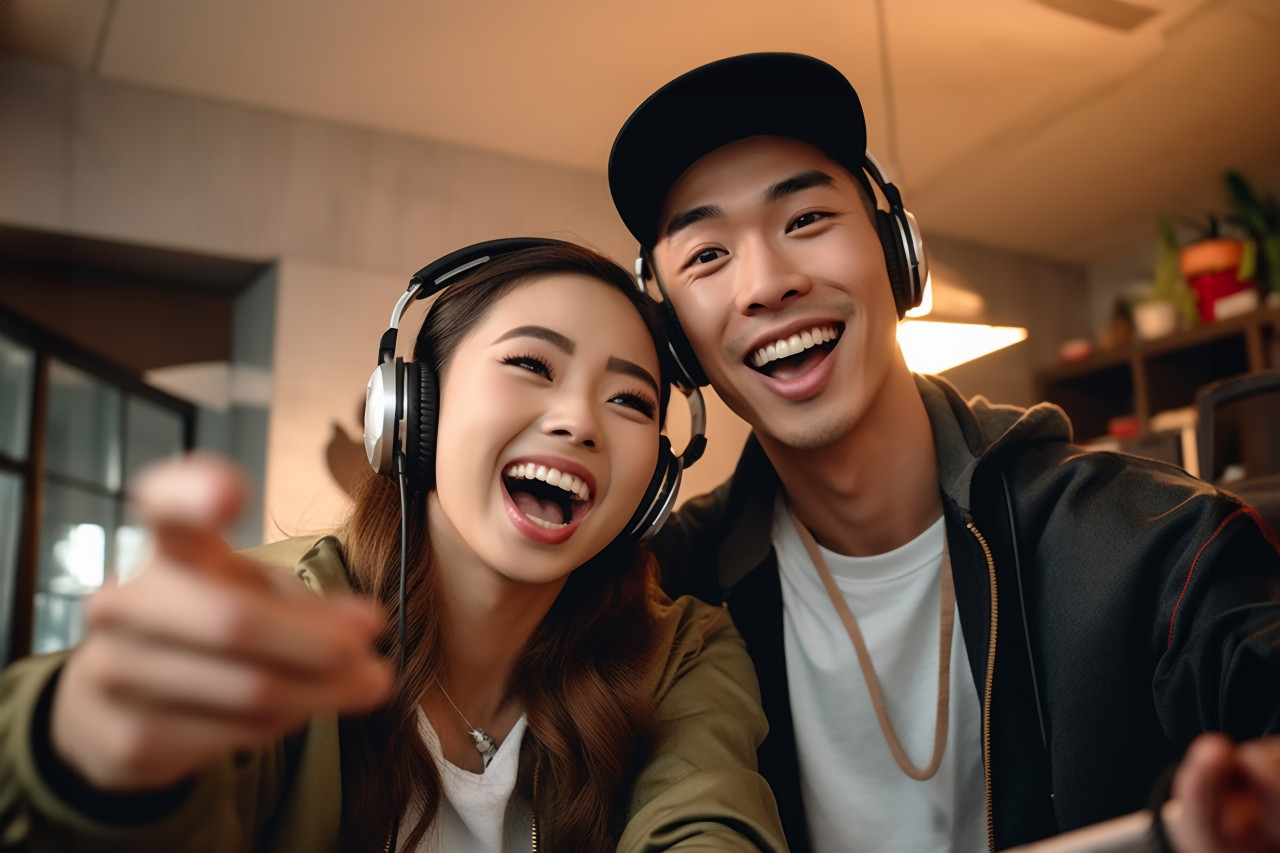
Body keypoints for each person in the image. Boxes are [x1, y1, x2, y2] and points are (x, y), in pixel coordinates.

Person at [606, 52, 1280, 852]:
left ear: (899, 256)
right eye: (707, 255)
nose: (766, 283)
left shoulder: (1146, 539)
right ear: (676, 344)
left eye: (807, 220)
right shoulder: (670, 596)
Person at [0, 239, 788, 852]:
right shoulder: (276, 616)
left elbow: (710, 822)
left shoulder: (684, 654)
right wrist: (85, 753)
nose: (579, 421)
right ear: (412, 411)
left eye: (628, 399)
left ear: (655, 481)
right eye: (529, 364)